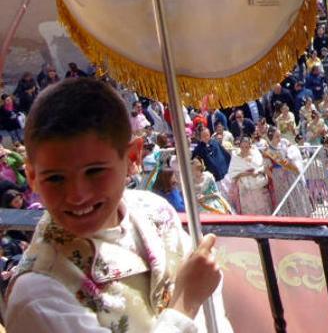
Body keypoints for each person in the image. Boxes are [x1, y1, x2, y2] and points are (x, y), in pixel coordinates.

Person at [5, 78, 231, 331]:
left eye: (95, 172)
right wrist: (186, 301)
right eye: (55, 178)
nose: (77, 195)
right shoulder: (39, 296)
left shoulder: (155, 211)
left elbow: (212, 309)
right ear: (33, 177)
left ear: (132, 157)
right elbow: (194, 293)